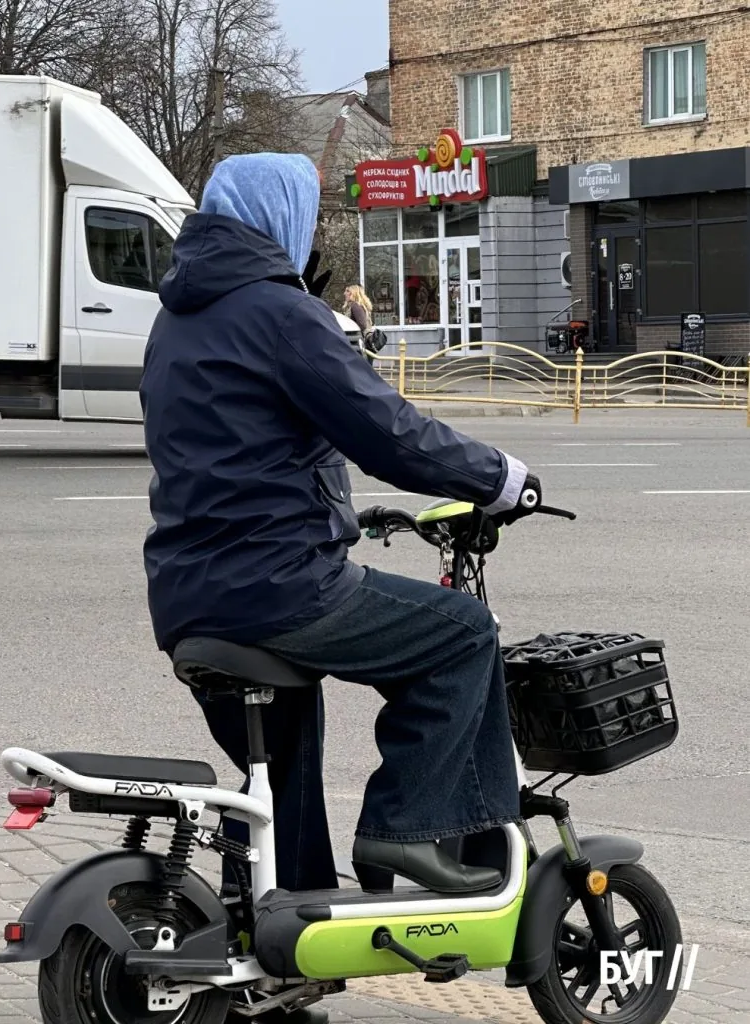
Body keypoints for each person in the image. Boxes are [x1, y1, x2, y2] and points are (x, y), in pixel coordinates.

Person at [140, 151, 542, 908]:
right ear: (280, 220)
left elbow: (231, 453)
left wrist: (333, 512)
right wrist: (496, 479)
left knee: (281, 767)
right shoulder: (279, 311)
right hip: (278, 585)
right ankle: (410, 826)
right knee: (461, 634)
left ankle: (274, 942)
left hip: (189, 593)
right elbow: (386, 432)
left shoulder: (176, 317)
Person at [343, 283, 376, 363]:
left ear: (353, 293)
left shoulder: (355, 306)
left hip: (359, 344)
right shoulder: (361, 305)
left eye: (347, 291)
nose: (345, 293)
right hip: (363, 343)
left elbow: (362, 325)